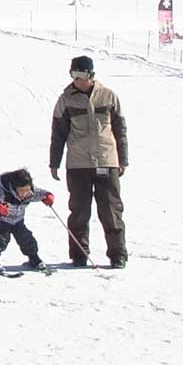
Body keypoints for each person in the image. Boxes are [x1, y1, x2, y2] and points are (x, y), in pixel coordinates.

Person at [48, 54, 130, 269]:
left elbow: (120, 130)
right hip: (78, 163)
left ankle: (117, 255)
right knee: (79, 212)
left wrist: (123, 159)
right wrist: (54, 162)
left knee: (111, 211)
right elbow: (58, 133)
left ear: (91, 74)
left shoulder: (109, 96)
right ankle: (79, 254)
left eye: (81, 75)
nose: (77, 79)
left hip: (106, 160)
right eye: (73, 75)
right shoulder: (65, 100)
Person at [0, 168, 53, 273]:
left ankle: (34, 257)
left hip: (18, 219)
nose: (26, 193)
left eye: (28, 190)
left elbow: (41, 193)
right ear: (14, 188)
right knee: (1, 239)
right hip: (2, 218)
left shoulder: (30, 191)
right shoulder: (2, 190)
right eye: (22, 191)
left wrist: (48, 197)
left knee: (26, 237)